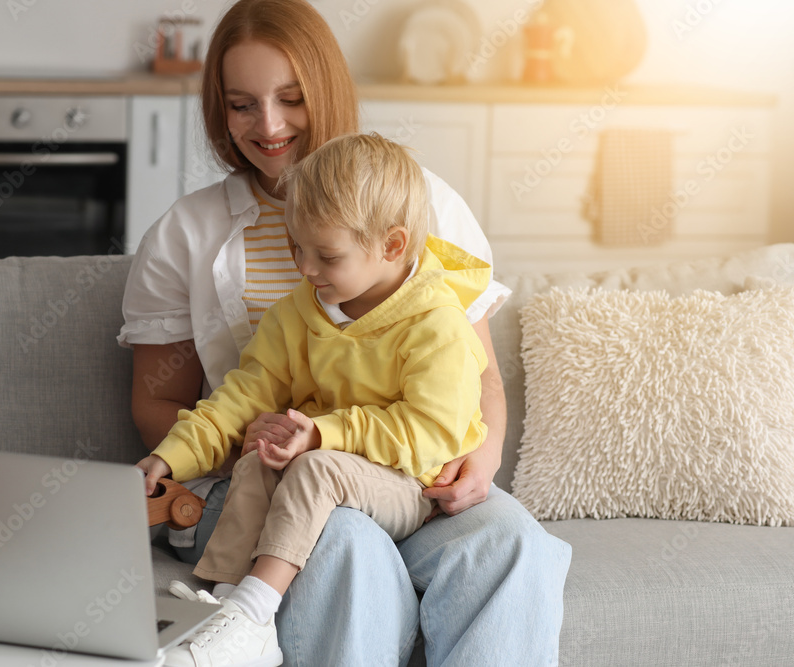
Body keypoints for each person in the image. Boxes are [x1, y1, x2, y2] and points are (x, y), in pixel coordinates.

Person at [119, 1, 572, 664]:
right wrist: (248, 445)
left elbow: (478, 381)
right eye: (241, 104)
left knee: (512, 540)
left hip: (411, 469)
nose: (268, 126)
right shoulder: (188, 236)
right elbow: (163, 399)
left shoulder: (422, 206)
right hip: (269, 480)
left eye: (292, 98)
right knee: (345, 541)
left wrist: (482, 459)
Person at [136, 132, 493, 666]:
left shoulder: (437, 325)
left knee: (313, 468)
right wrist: (170, 456)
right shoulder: (297, 314)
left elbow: (431, 433)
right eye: (295, 247)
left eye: (326, 255)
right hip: (334, 469)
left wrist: (325, 433)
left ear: (392, 247)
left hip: (410, 483)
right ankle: (227, 610)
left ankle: (255, 612)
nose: (305, 267)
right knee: (259, 458)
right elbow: (240, 397)